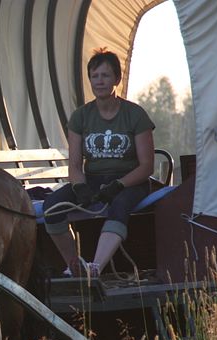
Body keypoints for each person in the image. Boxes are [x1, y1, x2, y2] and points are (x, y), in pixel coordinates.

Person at [42, 48, 155, 278]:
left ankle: (95, 268)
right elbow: (74, 165)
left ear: (116, 79)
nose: (99, 81)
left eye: (105, 75)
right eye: (95, 76)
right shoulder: (81, 116)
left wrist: (118, 185)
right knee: (52, 206)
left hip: (129, 181)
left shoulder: (135, 115)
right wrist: (80, 187)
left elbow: (146, 166)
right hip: (93, 180)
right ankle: (76, 266)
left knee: (119, 206)